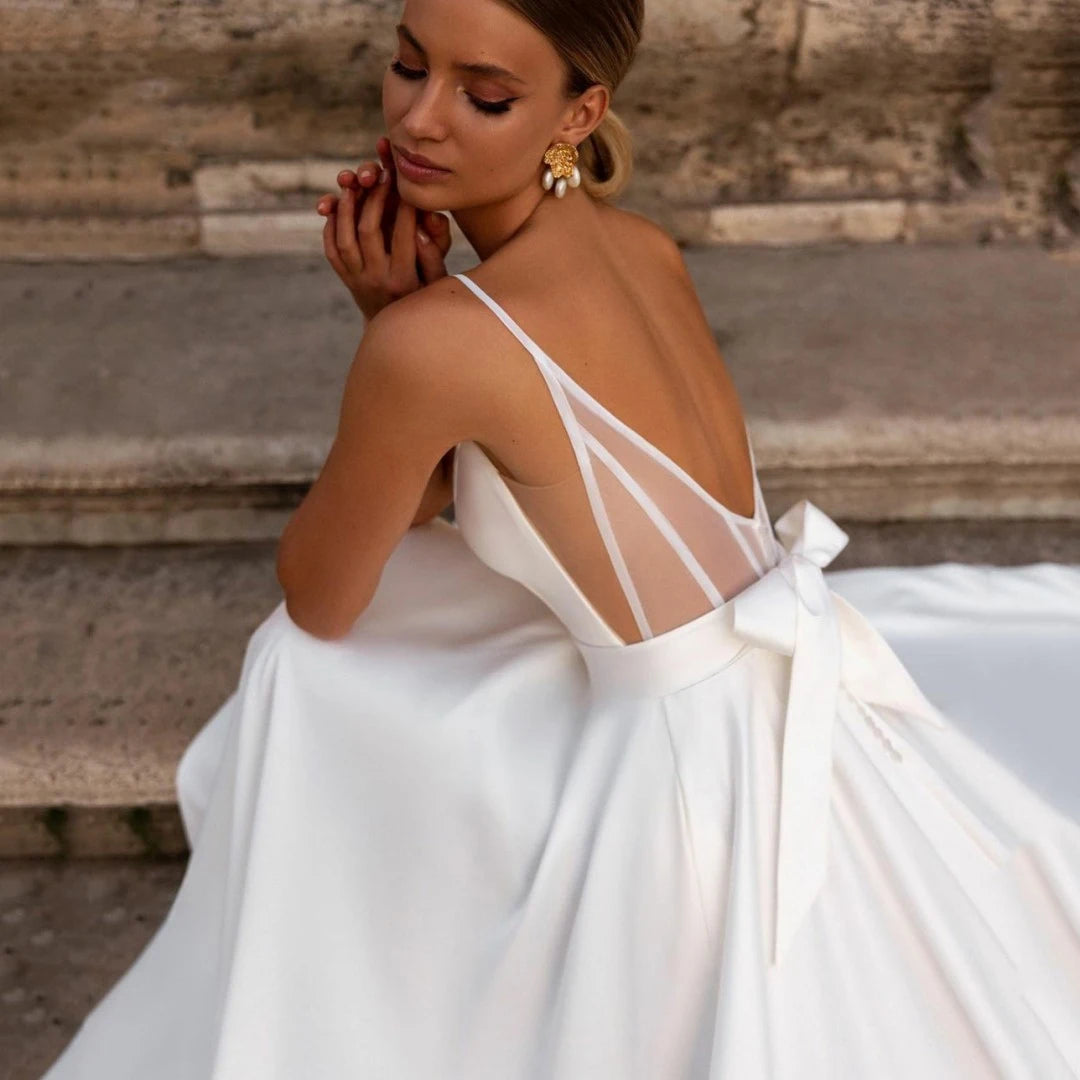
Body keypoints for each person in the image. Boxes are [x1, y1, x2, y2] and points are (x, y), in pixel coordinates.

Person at [40, 0, 1080, 1077]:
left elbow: (319, 593)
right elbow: (506, 468)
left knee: (295, 664)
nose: (421, 118)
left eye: (484, 96)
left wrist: (394, 325)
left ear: (580, 113)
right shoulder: (645, 248)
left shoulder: (438, 344)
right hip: (780, 723)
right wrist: (411, 332)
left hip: (678, 791)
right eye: (409, 66)